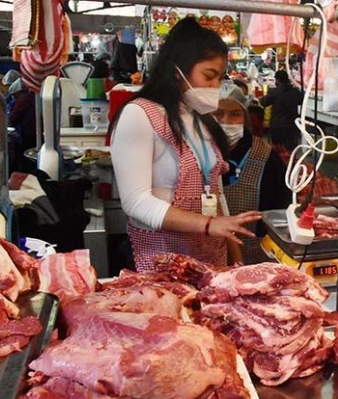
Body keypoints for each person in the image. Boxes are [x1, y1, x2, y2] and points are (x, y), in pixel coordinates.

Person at [109, 18, 261, 272]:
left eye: (220, 78)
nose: (215, 86)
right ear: (178, 70)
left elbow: (217, 193)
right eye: (209, 76)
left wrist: (236, 261)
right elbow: (136, 203)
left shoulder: (200, 118)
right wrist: (208, 224)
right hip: (162, 261)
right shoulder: (140, 114)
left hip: (211, 258)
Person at [214, 82, 292, 263]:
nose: (225, 121)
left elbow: (280, 208)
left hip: (254, 259)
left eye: (235, 114)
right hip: (207, 254)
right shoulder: (195, 154)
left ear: (246, 117)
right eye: (218, 114)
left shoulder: (264, 155)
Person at [261, 70, 304, 151]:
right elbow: (302, 100)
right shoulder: (295, 92)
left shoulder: (275, 92)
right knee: (290, 152)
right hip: (292, 126)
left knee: (277, 151)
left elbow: (264, 102)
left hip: (277, 126)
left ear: (277, 80)